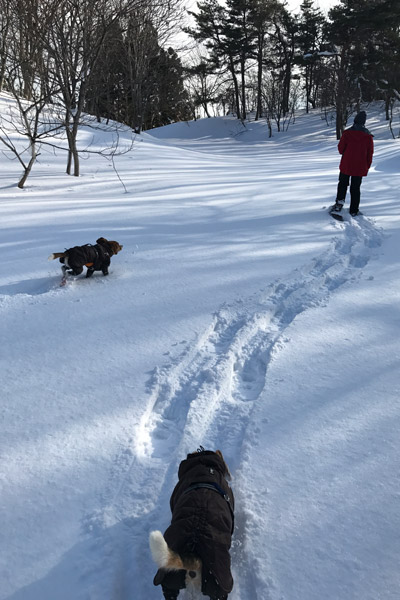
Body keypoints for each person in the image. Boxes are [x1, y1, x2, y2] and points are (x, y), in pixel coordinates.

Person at [331, 110, 374, 217]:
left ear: (355, 120)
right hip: (360, 166)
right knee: (356, 187)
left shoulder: (347, 133)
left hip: (346, 164)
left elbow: (341, 149)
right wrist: (367, 166)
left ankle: (339, 204)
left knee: (342, 184)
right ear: (364, 122)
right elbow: (370, 153)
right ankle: (354, 210)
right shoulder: (368, 136)